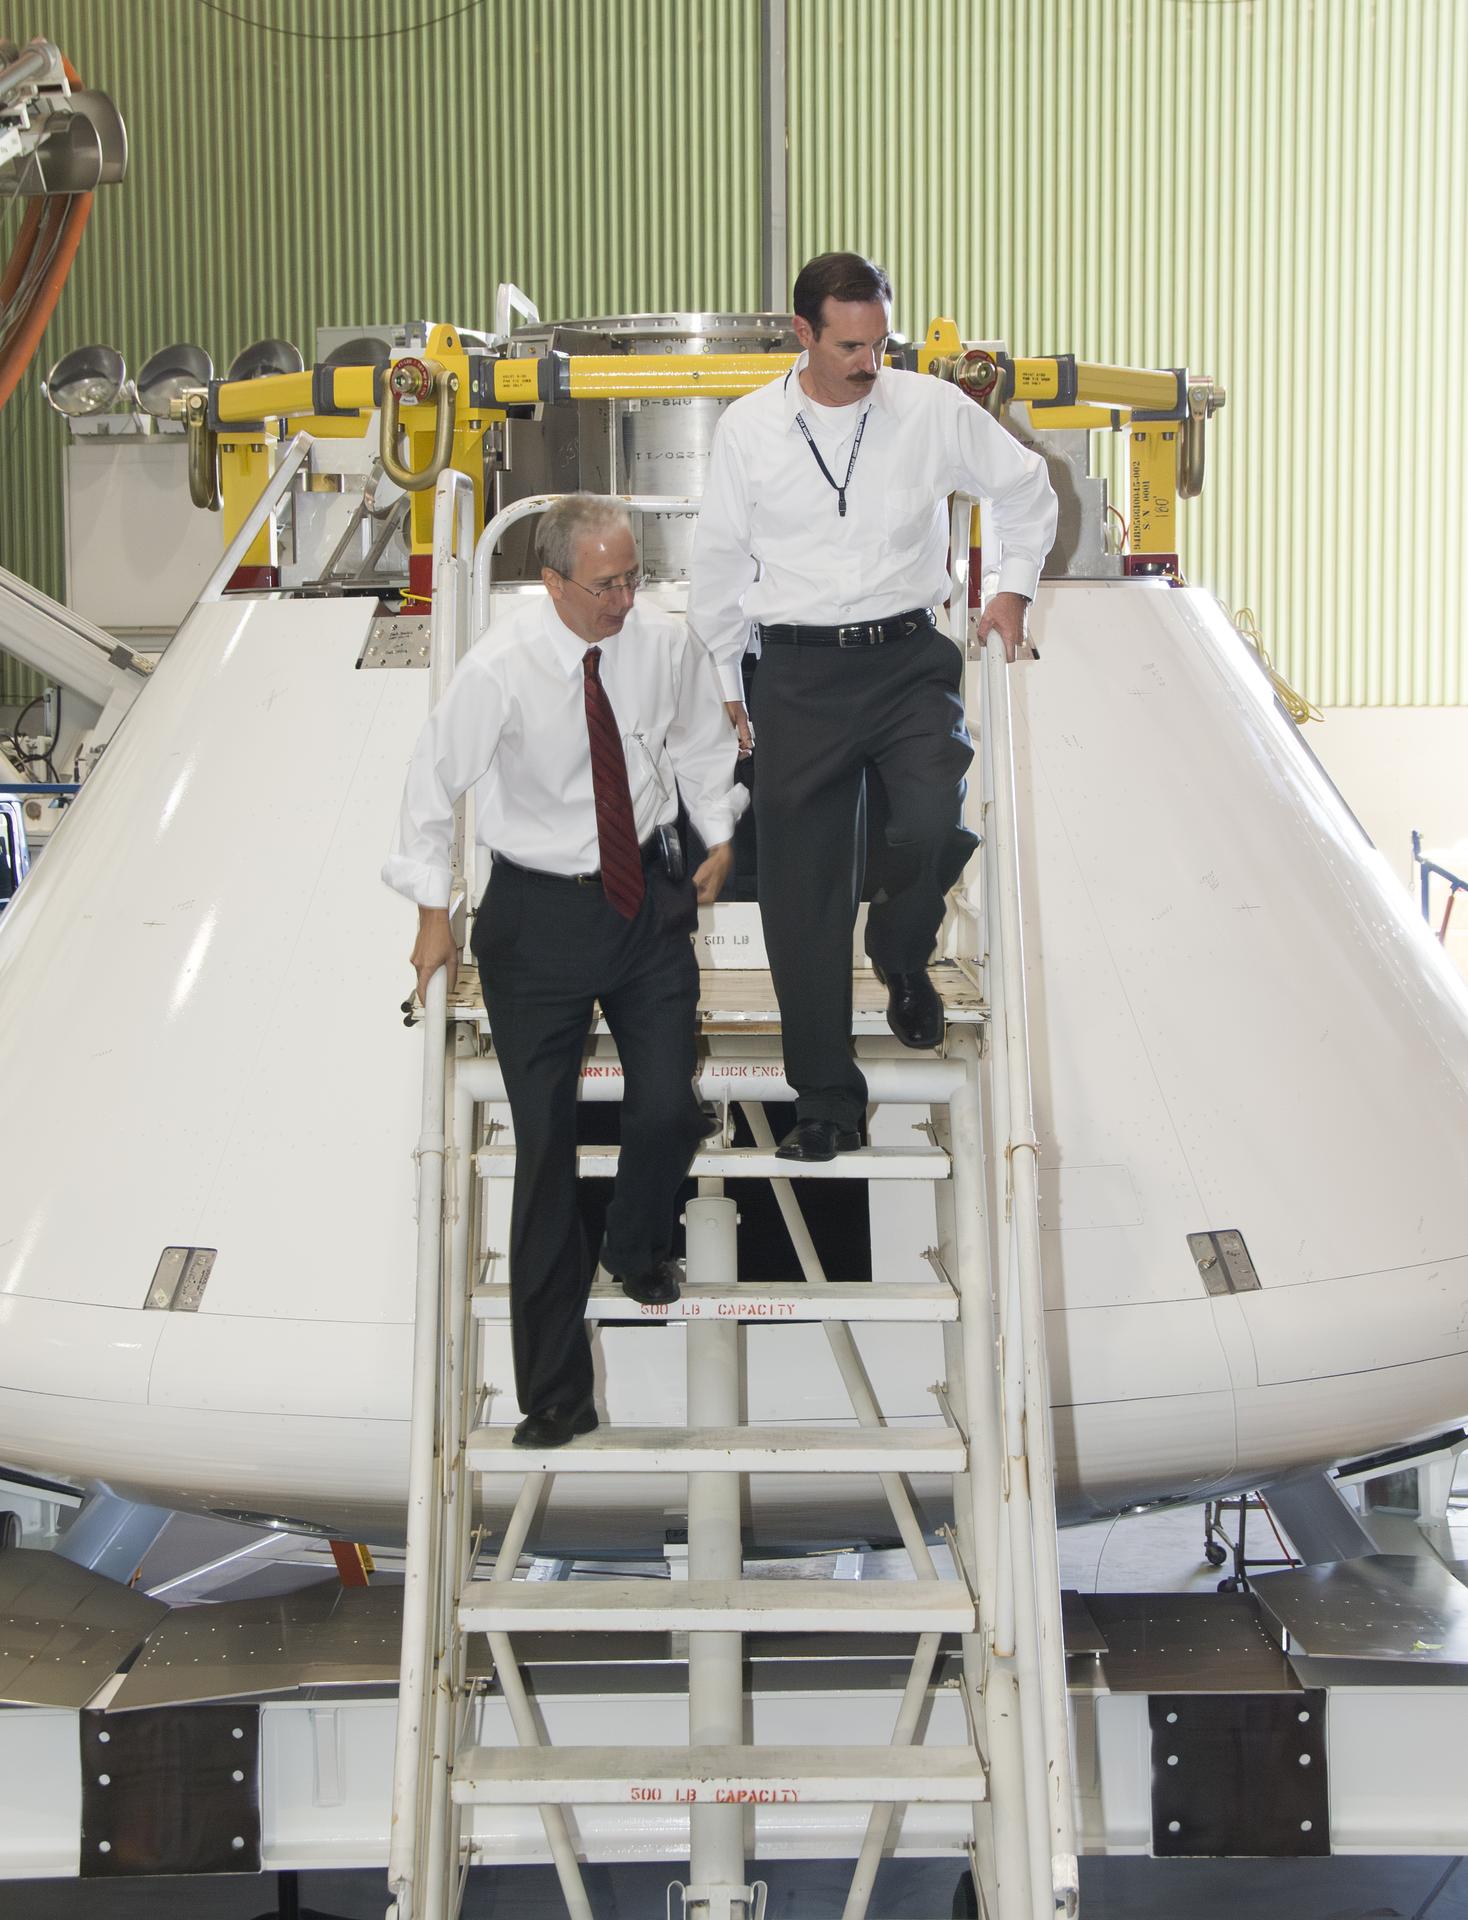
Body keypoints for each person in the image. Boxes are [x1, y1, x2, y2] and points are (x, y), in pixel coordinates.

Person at [384, 494, 741, 1448]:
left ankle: (634, 1246)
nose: (625, 598)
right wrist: (432, 914)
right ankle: (556, 1396)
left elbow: (705, 744)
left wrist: (718, 833)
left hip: (645, 901)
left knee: (667, 1106)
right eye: (606, 585)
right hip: (535, 918)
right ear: (553, 583)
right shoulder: (500, 667)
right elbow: (429, 786)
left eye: (632, 577)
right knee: (544, 1155)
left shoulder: (664, 645)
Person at [688, 251, 1058, 1162]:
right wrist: (729, 690)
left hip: (904, 661)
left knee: (932, 822)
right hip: (797, 676)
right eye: (850, 345)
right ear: (802, 332)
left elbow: (1024, 488)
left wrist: (1012, 589)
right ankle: (825, 1103)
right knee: (802, 900)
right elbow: (721, 566)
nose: (869, 362)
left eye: (879, 341)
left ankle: (900, 944)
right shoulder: (748, 431)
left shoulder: (929, 409)